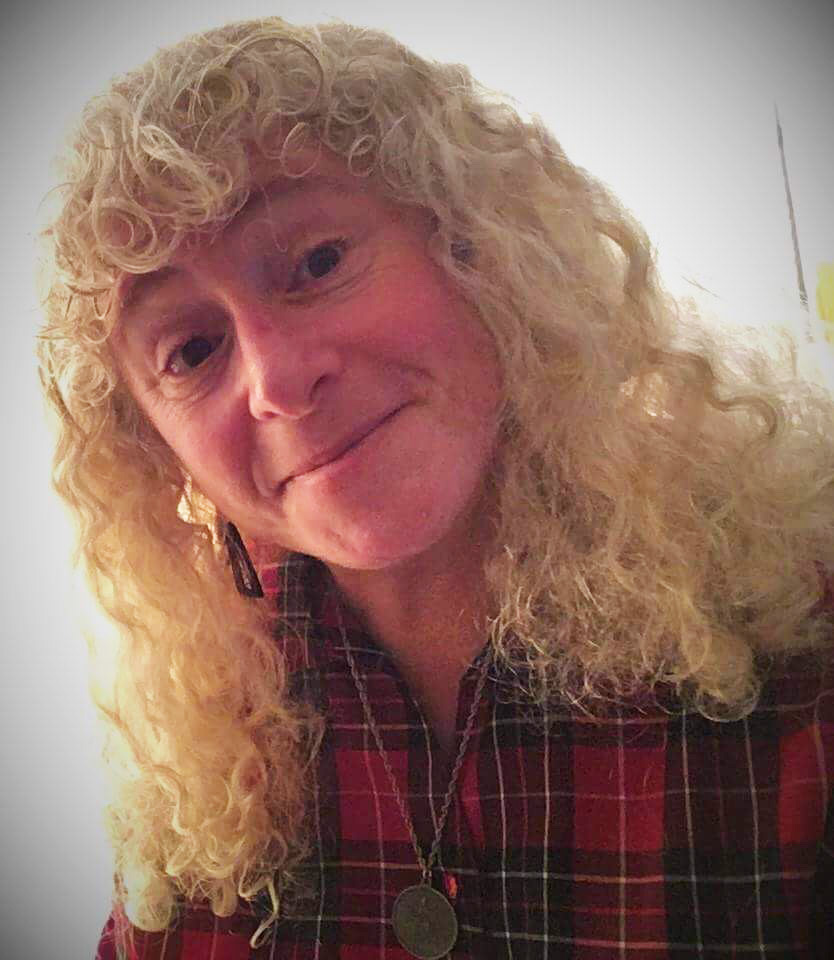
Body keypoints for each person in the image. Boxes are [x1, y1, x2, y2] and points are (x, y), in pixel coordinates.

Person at [38, 16, 834, 960]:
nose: (278, 381)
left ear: (475, 247)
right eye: (193, 350)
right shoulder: (204, 751)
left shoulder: (797, 629)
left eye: (318, 261)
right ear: (159, 450)